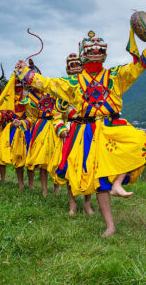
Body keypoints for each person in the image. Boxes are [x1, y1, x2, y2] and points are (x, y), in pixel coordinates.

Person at [16, 30, 146, 236]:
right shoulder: (73, 83)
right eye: (91, 50)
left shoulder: (114, 75)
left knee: (139, 142)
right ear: (83, 54)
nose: (96, 53)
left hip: (112, 126)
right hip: (87, 132)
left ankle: (117, 183)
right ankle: (110, 225)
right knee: (99, 180)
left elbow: (134, 69)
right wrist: (25, 74)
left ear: (105, 54)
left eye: (100, 50)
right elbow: (48, 84)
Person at [52, 53, 93, 215]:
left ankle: (87, 204)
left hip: (89, 131)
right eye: (72, 66)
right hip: (72, 133)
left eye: (78, 65)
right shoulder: (64, 92)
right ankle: (72, 205)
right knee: (70, 169)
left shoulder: (90, 88)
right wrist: (61, 128)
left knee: (88, 167)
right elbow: (56, 115)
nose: (76, 69)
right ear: (68, 70)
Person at [22, 60, 64, 197]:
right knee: (41, 162)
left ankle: (56, 189)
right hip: (39, 128)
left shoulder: (51, 92)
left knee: (55, 158)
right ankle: (45, 191)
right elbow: (31, 117)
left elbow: (60, 109)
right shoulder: (30, 98)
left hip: (53, 126)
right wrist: (22, 123)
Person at [0, 74, 32, 189]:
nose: (19, 85)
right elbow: (3, 114)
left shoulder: (30, 97)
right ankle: (21, 184)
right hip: (13, 130)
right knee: (17, 157)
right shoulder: (8, 99)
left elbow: (34, 114)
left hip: (27, 128)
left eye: (21, 82)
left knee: (29, 156)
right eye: (17, 83)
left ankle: (31, 185)